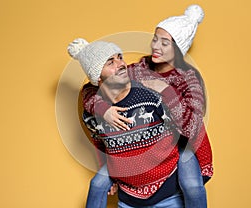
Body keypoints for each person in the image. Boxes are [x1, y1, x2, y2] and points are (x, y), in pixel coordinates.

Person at [81, 4, 213, 208]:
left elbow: (193, 127)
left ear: (179, 48)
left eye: (165, 43)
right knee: (98, 182)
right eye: (155, 39)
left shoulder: (189, 80)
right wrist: (103, 110)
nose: (155, 47)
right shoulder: (138, 70)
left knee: (192, 186)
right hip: (138, 146)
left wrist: (166, 93)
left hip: (181, 143)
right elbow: (92, 89)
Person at [68, 38, 189, 207]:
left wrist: (201, 170)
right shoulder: (92, 113)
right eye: (111, 62)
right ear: (97, 76)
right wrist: (110, 177)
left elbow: (190, 126)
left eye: (120, 57)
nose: (120, 63)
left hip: (169, 197)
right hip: (129, 201)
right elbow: (101, 147)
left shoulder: (151, 95)